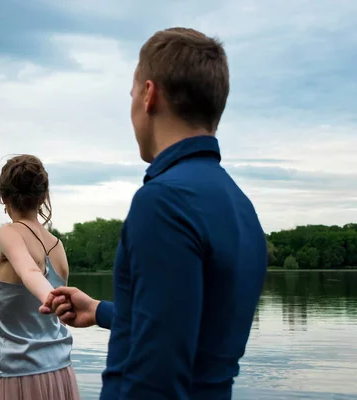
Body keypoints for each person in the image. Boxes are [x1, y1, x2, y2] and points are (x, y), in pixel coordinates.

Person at [42, 27, 268, 399]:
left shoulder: (163, 202)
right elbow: (187, 330)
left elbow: (156, 379)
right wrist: (98, 310)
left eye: (131, 93)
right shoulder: (240, 206)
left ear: (149, 95)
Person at [0, 154, 80, 400]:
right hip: (62, 372)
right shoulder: (57, 246)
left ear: (3, 197)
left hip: (18, 376)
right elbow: (59, 319)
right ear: (43, 197)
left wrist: (51, 298)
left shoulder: (8, 233)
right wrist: (57, 300)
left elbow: (29, 271)